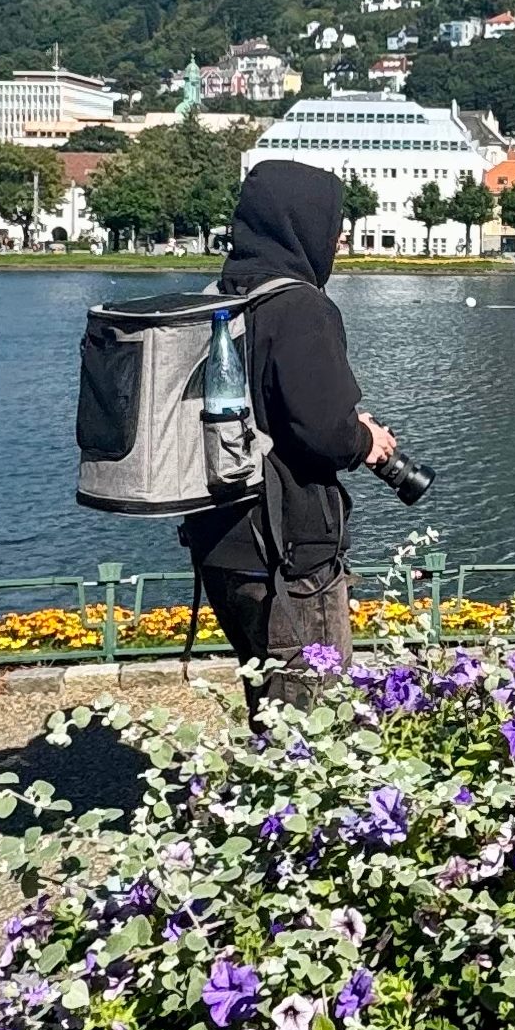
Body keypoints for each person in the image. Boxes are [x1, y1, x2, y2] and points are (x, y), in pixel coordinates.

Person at [179, 162, 397, 714]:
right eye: (334, 222)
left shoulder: (218, 297)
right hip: (288, 550)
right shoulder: (300, 306)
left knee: (266, 701)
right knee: (314, 717)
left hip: (220, 539)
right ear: (299, 225)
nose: (341, 236)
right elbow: (324, 430)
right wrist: (362, 438)